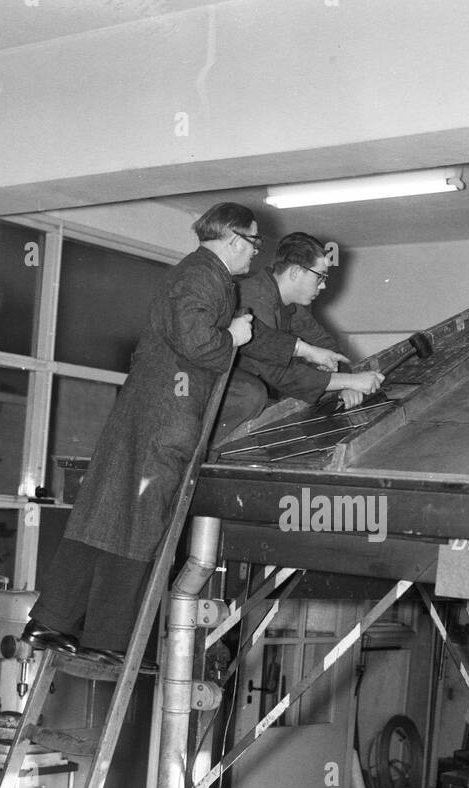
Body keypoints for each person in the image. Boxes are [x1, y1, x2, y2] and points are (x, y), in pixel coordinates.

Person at [24, 202, 301, 658]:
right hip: (166, 421)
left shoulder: (208, 277)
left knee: (105, 518)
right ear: (233, 238)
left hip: (150, 413)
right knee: (140, 526)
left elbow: (244, 336)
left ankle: (50, 620)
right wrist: (231, 336)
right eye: (254, 243)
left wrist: (301, 350)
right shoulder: (201, 276)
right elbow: (200, 345)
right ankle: (106, 640)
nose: (255, 254)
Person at [214, 232, 383, 438]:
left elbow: (322, 341)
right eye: (320, 276)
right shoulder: (253, 299)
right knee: (252, 394)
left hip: (246, 390)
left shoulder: (289, 301)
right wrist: (347, 381)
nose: (323, 285)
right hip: (214, 392)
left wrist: (345, 381)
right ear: (295, 272)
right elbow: (278, 373)